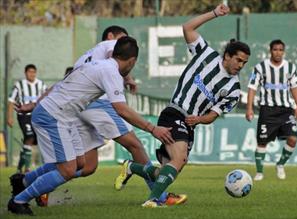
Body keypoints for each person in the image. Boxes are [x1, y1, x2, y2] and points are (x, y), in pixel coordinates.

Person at [7, 36, 174, 215]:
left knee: (81, 163)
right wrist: (153, 128)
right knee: (68, 169)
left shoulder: (96, 64)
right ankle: (19, 200)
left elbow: (60, 84)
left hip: (64, 116)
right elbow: (122, 109)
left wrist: (34, 104)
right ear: (132, 61)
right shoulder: (111, 71)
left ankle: (23, 182)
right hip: (53, 116)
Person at [115, 3, 251, 207]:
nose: (240, 66)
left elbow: (213, 115)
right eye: (238, 60)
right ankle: (153, 201)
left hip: (190, 124)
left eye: (244, 63)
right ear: (227, 56)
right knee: (179, 159)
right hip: (175, 112)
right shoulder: (206, 54)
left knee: (167, 170)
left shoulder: (233, 89)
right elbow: (187, 28)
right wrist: (214, 13)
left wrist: (199, 119)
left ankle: (131, 168)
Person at [245, 39, 297, 181]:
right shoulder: (260, 67)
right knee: (262, 142)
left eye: (281, 50)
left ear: (284, 51)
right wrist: (249, 108)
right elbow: (252, 87)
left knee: (293, 139)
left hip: (286, 110)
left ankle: (280, 164)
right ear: (270, 51)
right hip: (267, 110)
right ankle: (259, 172)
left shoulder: (290, 67)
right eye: (275, 49)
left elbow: (294, 87)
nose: (278, 52)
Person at [7, 64, 47, 173]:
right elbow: (11, 101)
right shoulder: (19, 85)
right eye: (30, 72)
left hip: (36, 116)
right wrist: (9, 117)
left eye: (34, 72)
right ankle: (27, 168)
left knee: (30, 141)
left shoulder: (41, 85)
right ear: (25, 73)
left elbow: (46, 99)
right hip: (23, 116)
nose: (32, 74)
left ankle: (20, 166)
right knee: (29, 136)